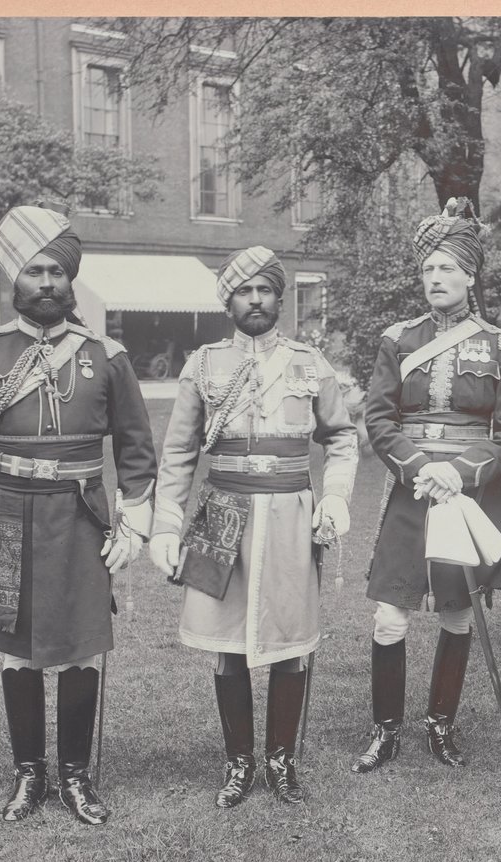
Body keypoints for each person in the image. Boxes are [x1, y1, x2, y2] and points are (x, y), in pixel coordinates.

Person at [0, 202, 157, 825]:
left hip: (81, 516)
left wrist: (133, 524)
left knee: (84, 645)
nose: (46, 283)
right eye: (34, 271)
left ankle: (77, 777)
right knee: (18, 648)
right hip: (3, 515)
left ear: (70, 278)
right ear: (14, 277)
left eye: (57, 272)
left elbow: (137, 449)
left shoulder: (106, 355)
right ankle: (29, 773)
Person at [148, 246, 358, 807]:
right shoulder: (204, 365)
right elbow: (178, 453)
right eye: (245, 290)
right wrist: (166, 525)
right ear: (229, 302)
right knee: (227, 643)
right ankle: (238, 761)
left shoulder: (310, 363)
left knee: (290, 642)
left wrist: (335, 496)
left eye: (266, 289)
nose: (256, 299)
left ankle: (281, 761)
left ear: (279, 298)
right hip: (223, 515)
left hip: (290, 514)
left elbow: (341, 437)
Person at [350, 198, 501, 773]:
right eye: (428, 268)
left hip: (471, 494)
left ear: (470, 275)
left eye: (447, 267)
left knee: (457, 612)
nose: (435, 277)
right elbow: (379, 418)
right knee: (390, 615)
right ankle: (385, 730)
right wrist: (418, 467)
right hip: (413, 489)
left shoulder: (500, 345)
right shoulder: (398, 339)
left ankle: (440, 725)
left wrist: (460, 471)